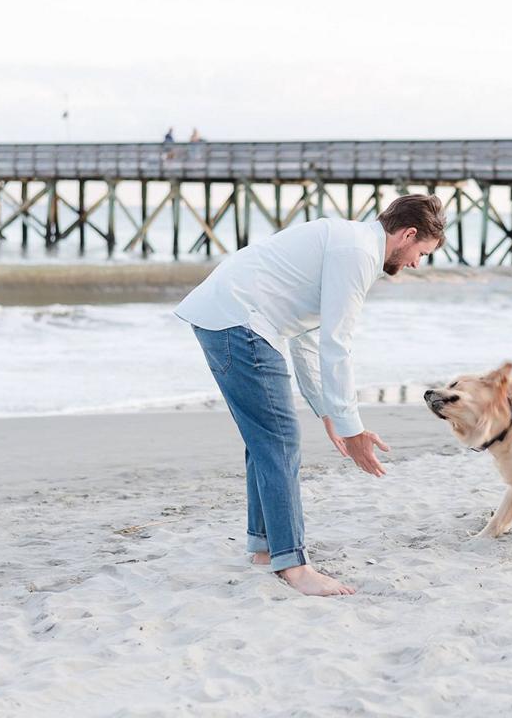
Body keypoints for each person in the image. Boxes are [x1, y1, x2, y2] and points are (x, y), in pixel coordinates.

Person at [174, 195, 446, 596]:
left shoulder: (351, 243)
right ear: (407, 235)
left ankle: (266, 549)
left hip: (227, 317)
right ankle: (294, 564)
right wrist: (353, 430)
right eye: (421, 252)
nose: (415, 263)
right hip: (239, 320)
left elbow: (307, 335)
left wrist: (327, 411)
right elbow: (337, 345)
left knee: (266, 440)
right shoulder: (357, 253)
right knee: (279, 441)